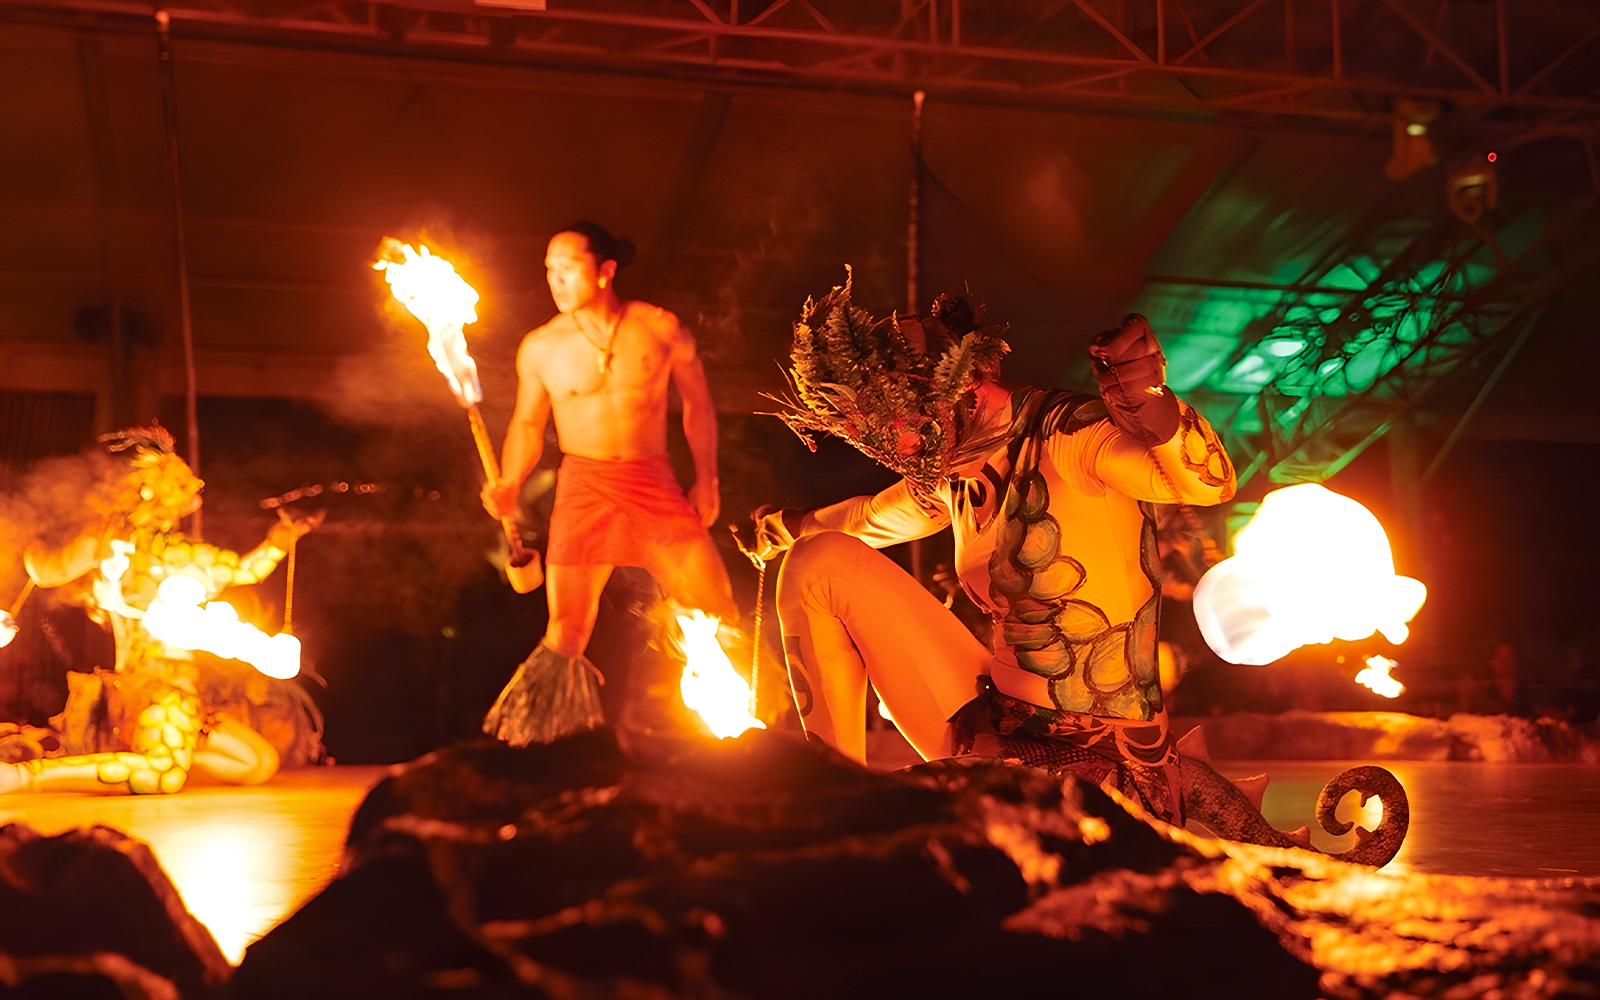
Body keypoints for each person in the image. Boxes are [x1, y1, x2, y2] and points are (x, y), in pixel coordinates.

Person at [752, 277, 1236, 823]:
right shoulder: (953, 466)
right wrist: (787, 527)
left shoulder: (1067, 434)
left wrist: (1151, 402)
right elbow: (868, 518)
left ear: (960, 386)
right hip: (991, 726)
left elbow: (1209, 485)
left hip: (1102, 769)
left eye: (899, 425)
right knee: (818, 563)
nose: (895, 447)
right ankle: (827, 809)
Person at [480, 223, 737, 744]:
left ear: (605, 271)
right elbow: (528, 425)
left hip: (652, 479)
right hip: (584, 487)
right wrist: (510, 480)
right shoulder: (541, 347)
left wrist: (707, 479)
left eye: (568, 267)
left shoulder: (658, 327)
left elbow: (698, 405)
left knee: (714, 605)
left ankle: (741, 735)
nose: (556, 279)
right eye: (550, 269)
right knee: (566, 631)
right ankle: (545, 744)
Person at [0, 425, 322, 795]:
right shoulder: (126, 546)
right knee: (161, 774)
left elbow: (44, 569)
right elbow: (45, 570)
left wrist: (282, 540)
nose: (192, 494)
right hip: (161, 684)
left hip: (157, 682)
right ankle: (26, 777)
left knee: (257, 763)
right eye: (180, 489)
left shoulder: (132, 546)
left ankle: (171, 743)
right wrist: (280, 541)